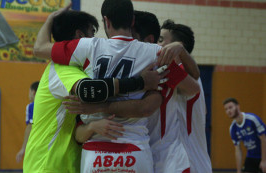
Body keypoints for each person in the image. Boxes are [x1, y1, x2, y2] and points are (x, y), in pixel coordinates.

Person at [41, 0, 199, 171]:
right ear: (131, 21)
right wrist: (180, 53)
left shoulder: (88, 46)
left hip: (95, 150)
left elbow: (39, 48)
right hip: (135, 148)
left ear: (106, 21)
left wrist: (50, 19)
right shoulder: (155, 52)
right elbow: (193, 87)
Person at [24, 7, 166, 173]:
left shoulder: (81, 70)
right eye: (92, 32)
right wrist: (139, 82)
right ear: (79, 37)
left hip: (68, 161)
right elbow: (89, 90)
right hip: (47, 164)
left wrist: (92, 127)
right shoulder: (62, 69)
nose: (96, 39)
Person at [157, 19, 213, 173]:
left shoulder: (181, 74)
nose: (156, 44)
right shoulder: (191, 77)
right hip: (195, 162)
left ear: (177, 47)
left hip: (189, 162)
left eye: (161, 40)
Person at [223, 97, 266, 173]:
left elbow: (263, 139)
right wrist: (238, 171)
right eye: (226, 109)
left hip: (264, 154)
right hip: (251, 156)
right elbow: (238, 149)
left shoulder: (252, 119)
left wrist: (264, 161)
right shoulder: (232, 128)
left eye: (230, 107)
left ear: (238, 106)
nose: (228, 111)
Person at [16, 81, 39, 163]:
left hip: (36, 146)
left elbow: (30, 127)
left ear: (33, 92)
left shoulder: (32, 106)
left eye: (29, 92)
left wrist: (23, 148)